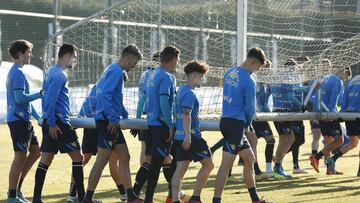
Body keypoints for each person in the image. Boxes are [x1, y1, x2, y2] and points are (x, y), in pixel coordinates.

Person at [83, 44, 143, 203]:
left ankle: (130, 196)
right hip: (108, 122)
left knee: (125, 156)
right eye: (134, 63)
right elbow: (105, 95)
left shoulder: (112, 69)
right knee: (101, 160)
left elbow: (114, 97)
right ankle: (87, 198)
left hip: (109, 120)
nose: (133, 67)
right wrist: (113, 118)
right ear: (128, 58)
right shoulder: (117, 71)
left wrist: (124, 115)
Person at [212, 48, 273, 203]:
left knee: (250, 158)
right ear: (253, 62)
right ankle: (216, 200)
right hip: (236, 124)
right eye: (258, 67)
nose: (257, 70)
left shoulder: (229, 72)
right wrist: (247, 123)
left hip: (226, 120)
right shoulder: (249, 80)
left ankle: (255, 199)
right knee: (226, 165)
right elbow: (250, 108)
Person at [32, 43, 85, 203]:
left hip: (51, 121)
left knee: (45, 160)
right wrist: (54, 123)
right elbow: (49, 100)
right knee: (78, 157)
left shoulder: (50, 72)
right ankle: (82, 198)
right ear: (67, 55)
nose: (75, 61)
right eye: (74, 57)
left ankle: (36, 198)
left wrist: (48, 121)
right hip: (59, 123)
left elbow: (46, 98)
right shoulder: (59, 74)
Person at [66, 80, 128, 202]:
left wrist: (80, 118)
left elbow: (88, 102)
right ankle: (123, 193)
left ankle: (71, 194)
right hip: (101, 125)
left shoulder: (98, 85)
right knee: (112, 159)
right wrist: (125, 117)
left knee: (83, 159)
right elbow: (117, 104)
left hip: (90, 125)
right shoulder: (112, 85)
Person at [171, 60, 213, 203]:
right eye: (201, 77)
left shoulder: (181, 90)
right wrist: (188, 136)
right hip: (191, 137)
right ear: (194, 76)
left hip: (178, 136)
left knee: (180, 169)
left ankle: (175, 200)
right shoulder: (190, 93)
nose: (202, 80)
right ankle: (195, 198)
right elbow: (186, 114)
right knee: (209, 165)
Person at [6, 39, 42, 203]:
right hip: (18, 121)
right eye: (28, 52)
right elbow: (20, 99)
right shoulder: (17, 73)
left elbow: (24, 101)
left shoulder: (17, 71)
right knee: (19, 157)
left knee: (36, 152)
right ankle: (12, 196)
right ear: (20, 54)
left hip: (24, 120)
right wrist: (41, 93)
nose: (30, 55)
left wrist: (37, 117)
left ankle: (17, 188)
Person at [144, 45, 181, 203]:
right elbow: (164, 101)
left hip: (152, 124)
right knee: (157, 164)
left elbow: (145, 99)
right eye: (178, 60)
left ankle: (172, 195)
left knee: (169, 159)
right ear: (173, 60)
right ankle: (150, 199)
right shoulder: (166, 77)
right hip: (162, 125)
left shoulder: (152, 74)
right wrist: (170, 124)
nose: (178, 64)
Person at [309, 60, 351, 175]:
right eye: (346, 77)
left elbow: (316, 96)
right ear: (343, 72)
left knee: (328, 141)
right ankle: (316, 157)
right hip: (328, 115)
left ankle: (329, 168)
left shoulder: (325, 78)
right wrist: (332, 114)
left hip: (321, 113)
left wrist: (316, 113)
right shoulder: (337, 81)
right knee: (339, 140)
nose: (345, 79)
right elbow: (333, 101)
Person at [325, 66, 359, 175]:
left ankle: (333, 159)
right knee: (353, 143)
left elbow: (344, 98)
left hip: (349, 115)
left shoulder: (352, 81)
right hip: (358, 114)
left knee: (353, 143)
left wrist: (343, 113)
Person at [252, 83, 276, 178]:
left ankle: (256, 170)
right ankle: (265, 170)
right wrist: (269, 114)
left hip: (257, 116)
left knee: (250, 144)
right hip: (257, 117)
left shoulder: (261, 83)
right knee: (270, 140)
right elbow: (260, 102)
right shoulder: (257, 82)